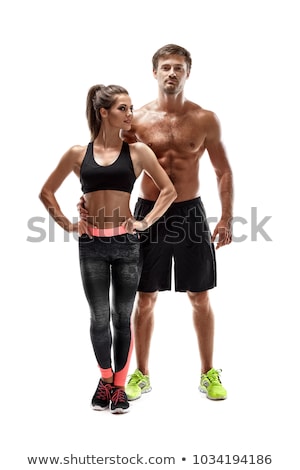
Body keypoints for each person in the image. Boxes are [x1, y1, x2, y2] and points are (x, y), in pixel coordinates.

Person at [79, 44, 234, 401]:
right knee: (144, 297)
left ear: (187, 73)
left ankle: (208, 372)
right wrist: (87, 202)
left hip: (190, 213)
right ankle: (141, 374)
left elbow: (223, 170)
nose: (171, 73)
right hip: (146, 212)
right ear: (155, 72)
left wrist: (226, 217)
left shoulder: (205, 118)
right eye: (165, 67)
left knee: (199, 295)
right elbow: (103, 161)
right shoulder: (136, 119)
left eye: (178, 67)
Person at [39, 84, 177, 414]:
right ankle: (105, 380)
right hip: (92, 245)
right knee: (100, 318)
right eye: (123, 109)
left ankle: (119, 387)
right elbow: (46, 192)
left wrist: (144, 223)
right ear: (104, 112)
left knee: (121, 317)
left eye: (131, 108)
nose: (130, 114)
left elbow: (168, 191)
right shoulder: (77, 154)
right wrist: (70, 225)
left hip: (127, 244)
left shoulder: (138, 152)